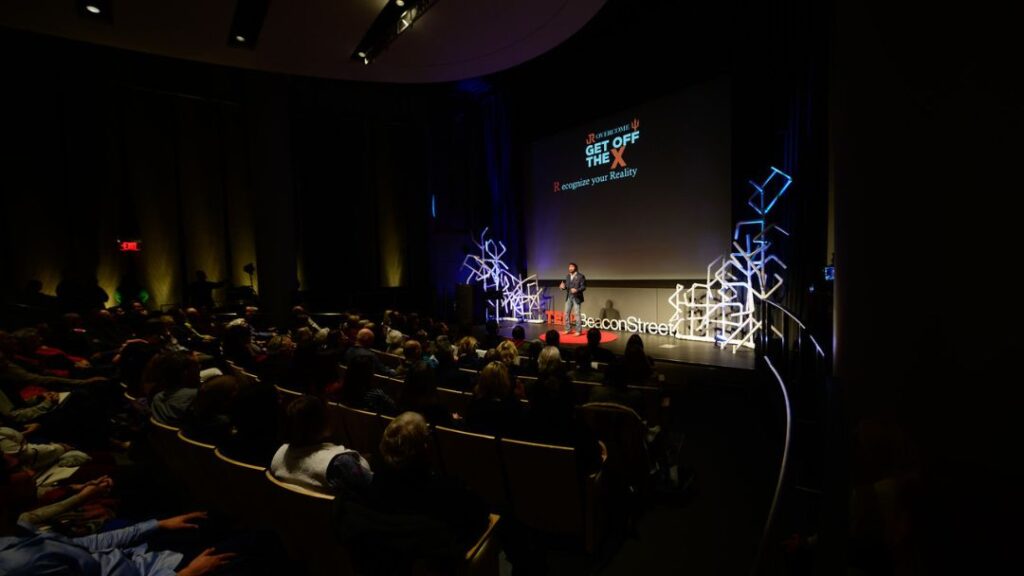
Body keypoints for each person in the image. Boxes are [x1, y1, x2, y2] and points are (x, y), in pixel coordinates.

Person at [559, 262, 586, 335]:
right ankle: (567, 329)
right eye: (569, 267)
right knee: (566, 313)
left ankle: (578, 331)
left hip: (577, 297)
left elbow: (583, 287)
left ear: (575, 268)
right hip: (569, 297)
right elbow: (567, 287)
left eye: (571, 267)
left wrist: (577, 290)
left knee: (577, 314)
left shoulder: (581, 276)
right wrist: (563, 287)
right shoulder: (568, 276)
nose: (570, 268)